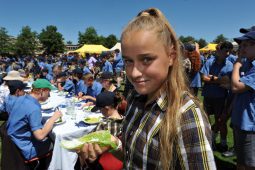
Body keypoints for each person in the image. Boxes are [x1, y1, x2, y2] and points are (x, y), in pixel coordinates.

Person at [79, 8, 215, 169]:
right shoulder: (134, 99)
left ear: (171, 56)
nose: (135, 73)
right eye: (128, 61)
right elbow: (133, 159)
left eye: (146, 59)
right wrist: (113, 144)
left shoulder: (187, 116)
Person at [6, 79, 62, 162]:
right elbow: (40, 136)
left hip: (15, 140)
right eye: (48, 92)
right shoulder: (33, 108)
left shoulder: (21, 98)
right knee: (56, 142)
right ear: (42, 91)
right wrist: (53, 118)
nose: (49, 95)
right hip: (25, 148)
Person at [231, 31, 255, 169]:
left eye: (246, 45)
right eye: (241, 45)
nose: (241, 48)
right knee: (240, 160)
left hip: (249, 124)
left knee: (250, 163)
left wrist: (236, 65)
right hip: (239, 119)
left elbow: (236, 86)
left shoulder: (245, 65)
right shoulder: (248, 64)